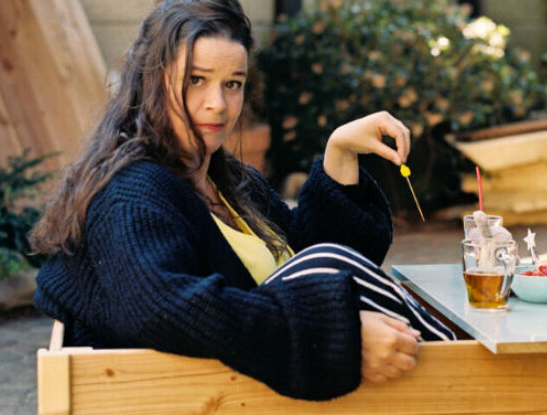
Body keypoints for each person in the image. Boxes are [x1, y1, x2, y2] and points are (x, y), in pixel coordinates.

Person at [28, 0, 453, 401]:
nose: (218, 105)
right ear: (152, 80)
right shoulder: (133, 195)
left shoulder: (228, 180)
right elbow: (165, 308)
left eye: (233, 84)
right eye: (197, 80)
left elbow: (329, 263)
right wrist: (333, 334)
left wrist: (339, 153)